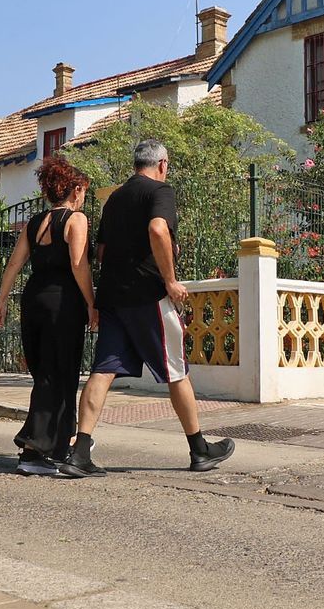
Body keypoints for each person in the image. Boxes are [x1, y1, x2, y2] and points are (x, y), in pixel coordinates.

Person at [61, 139, 234, 478]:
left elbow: (101, 252)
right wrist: (169, 279)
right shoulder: (160, 191)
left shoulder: (113, 200)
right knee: (175, 370)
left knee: (103, 370)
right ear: (162, 164)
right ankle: (199, 449)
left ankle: (79, 451)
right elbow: (157, 229)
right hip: (148, 296)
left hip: (113, 297)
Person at [0, 155, 97, 477]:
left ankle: (56, 444)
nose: (83, 198)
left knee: (46, 374)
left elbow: (13, 264)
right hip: (62, 304)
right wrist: (92, 304)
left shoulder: (34, 223)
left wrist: (1, 300)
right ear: (75, 189)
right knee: (59, 374)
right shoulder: (76, 220)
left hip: (33, 300)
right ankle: (33, 448)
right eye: (83, 192)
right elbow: (79, 265)